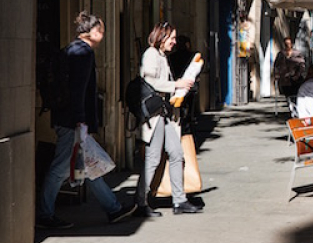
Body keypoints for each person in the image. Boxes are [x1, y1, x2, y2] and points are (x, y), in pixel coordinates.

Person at [37, 12, 136, 229]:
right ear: (88, 32)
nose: (103, 34)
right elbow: (78, 90)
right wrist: (81, 121)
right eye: (100, 30)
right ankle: (44, 214)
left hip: (66, 117)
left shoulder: (71, 49)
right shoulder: (84, 53)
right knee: (61, 168)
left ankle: (114, 209)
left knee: (90, 166)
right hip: (72, 120)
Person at [135, 22, 202, 217]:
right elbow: (150, 82)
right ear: (161, 37)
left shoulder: (162, 56)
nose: (174, 42)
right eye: (171, 38)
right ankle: (140, 202)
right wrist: (176, 84)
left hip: (165, 114)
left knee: (176, 154)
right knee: (153, 158)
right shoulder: (151, 55)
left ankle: (179, 200)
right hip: (155, 116)